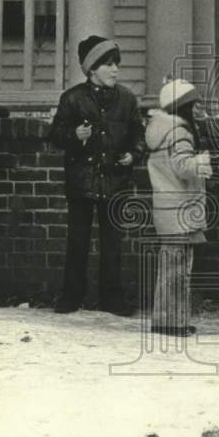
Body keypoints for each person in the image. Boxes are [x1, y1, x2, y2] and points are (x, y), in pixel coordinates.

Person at [49, 36, 145, 315]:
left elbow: (138, 133)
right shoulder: (72, 98)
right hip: (82, 181)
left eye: (116, 64)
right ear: (92, 69)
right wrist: (74, 135)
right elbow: (55, 135)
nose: (115, 70)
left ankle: (112, 298)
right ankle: (71, 296)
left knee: (112, 244)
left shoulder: (126, 99)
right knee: (77, 241)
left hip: (115, 180)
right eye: (108, 65)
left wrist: (133, 154)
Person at [145, 79, 219, 336]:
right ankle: (171, 323)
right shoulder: (180, 134)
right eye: (194, 103)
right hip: (179, 210)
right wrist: (204, 160)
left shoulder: (162, 131)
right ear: (183, 107)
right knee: (178, 272)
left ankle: (167, 319)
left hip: (169, 209)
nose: (199, 107)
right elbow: (182, 168)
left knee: (171, 270)